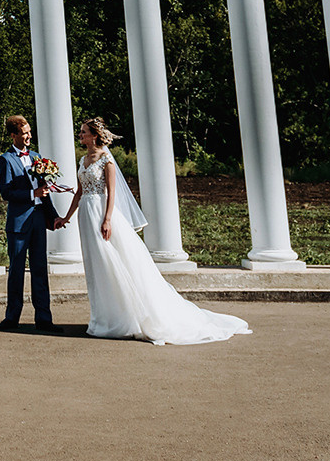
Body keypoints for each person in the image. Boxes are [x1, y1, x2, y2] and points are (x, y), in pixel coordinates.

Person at [56, 117, 250, 345]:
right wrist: (66, 217)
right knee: (96, 266)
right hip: (85, 216)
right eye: (80, 132)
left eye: (84, 132)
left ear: (95, 135)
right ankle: (103, 318)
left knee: (114, 263)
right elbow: (79, 192)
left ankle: (126, 318)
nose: (80, 135)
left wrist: (107, 219)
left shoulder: (106, 160)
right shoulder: (82, 160)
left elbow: (111, 193)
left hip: (101, 213)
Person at [0, 115, 57, 331]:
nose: (29, 136)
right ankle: (12, 318)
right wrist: (33, 193)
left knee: (40, 269)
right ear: (14, 135)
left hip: (39, 220)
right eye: (24, 133)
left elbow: (45, 191)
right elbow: (6, 192)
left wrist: (54, 216)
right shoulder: (5, 160)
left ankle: (44, 319)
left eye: (30, 132)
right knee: (17, 271)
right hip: (18, 224)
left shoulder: (37, 157)